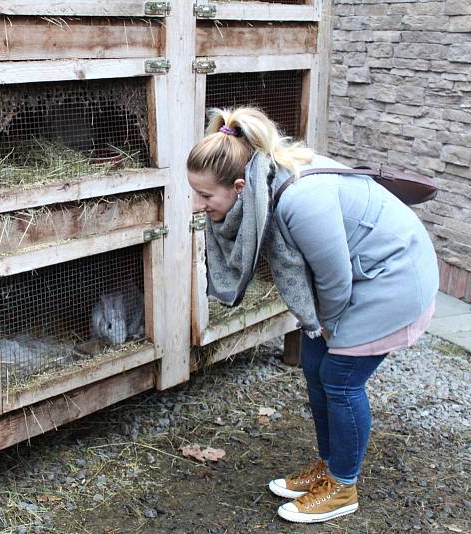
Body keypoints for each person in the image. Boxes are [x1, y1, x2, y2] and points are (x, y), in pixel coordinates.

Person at [186, 107, 439, 524]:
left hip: (392, 279)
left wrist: (329, 329)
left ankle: (343, 486)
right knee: (315, 363)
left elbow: (335, 281)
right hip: (362, 276)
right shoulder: (261, 182)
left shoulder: (299, 200)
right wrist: (320, 333)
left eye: (206, 196)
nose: (198, 205)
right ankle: (330, 465)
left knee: (339, 379)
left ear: (236, 185)